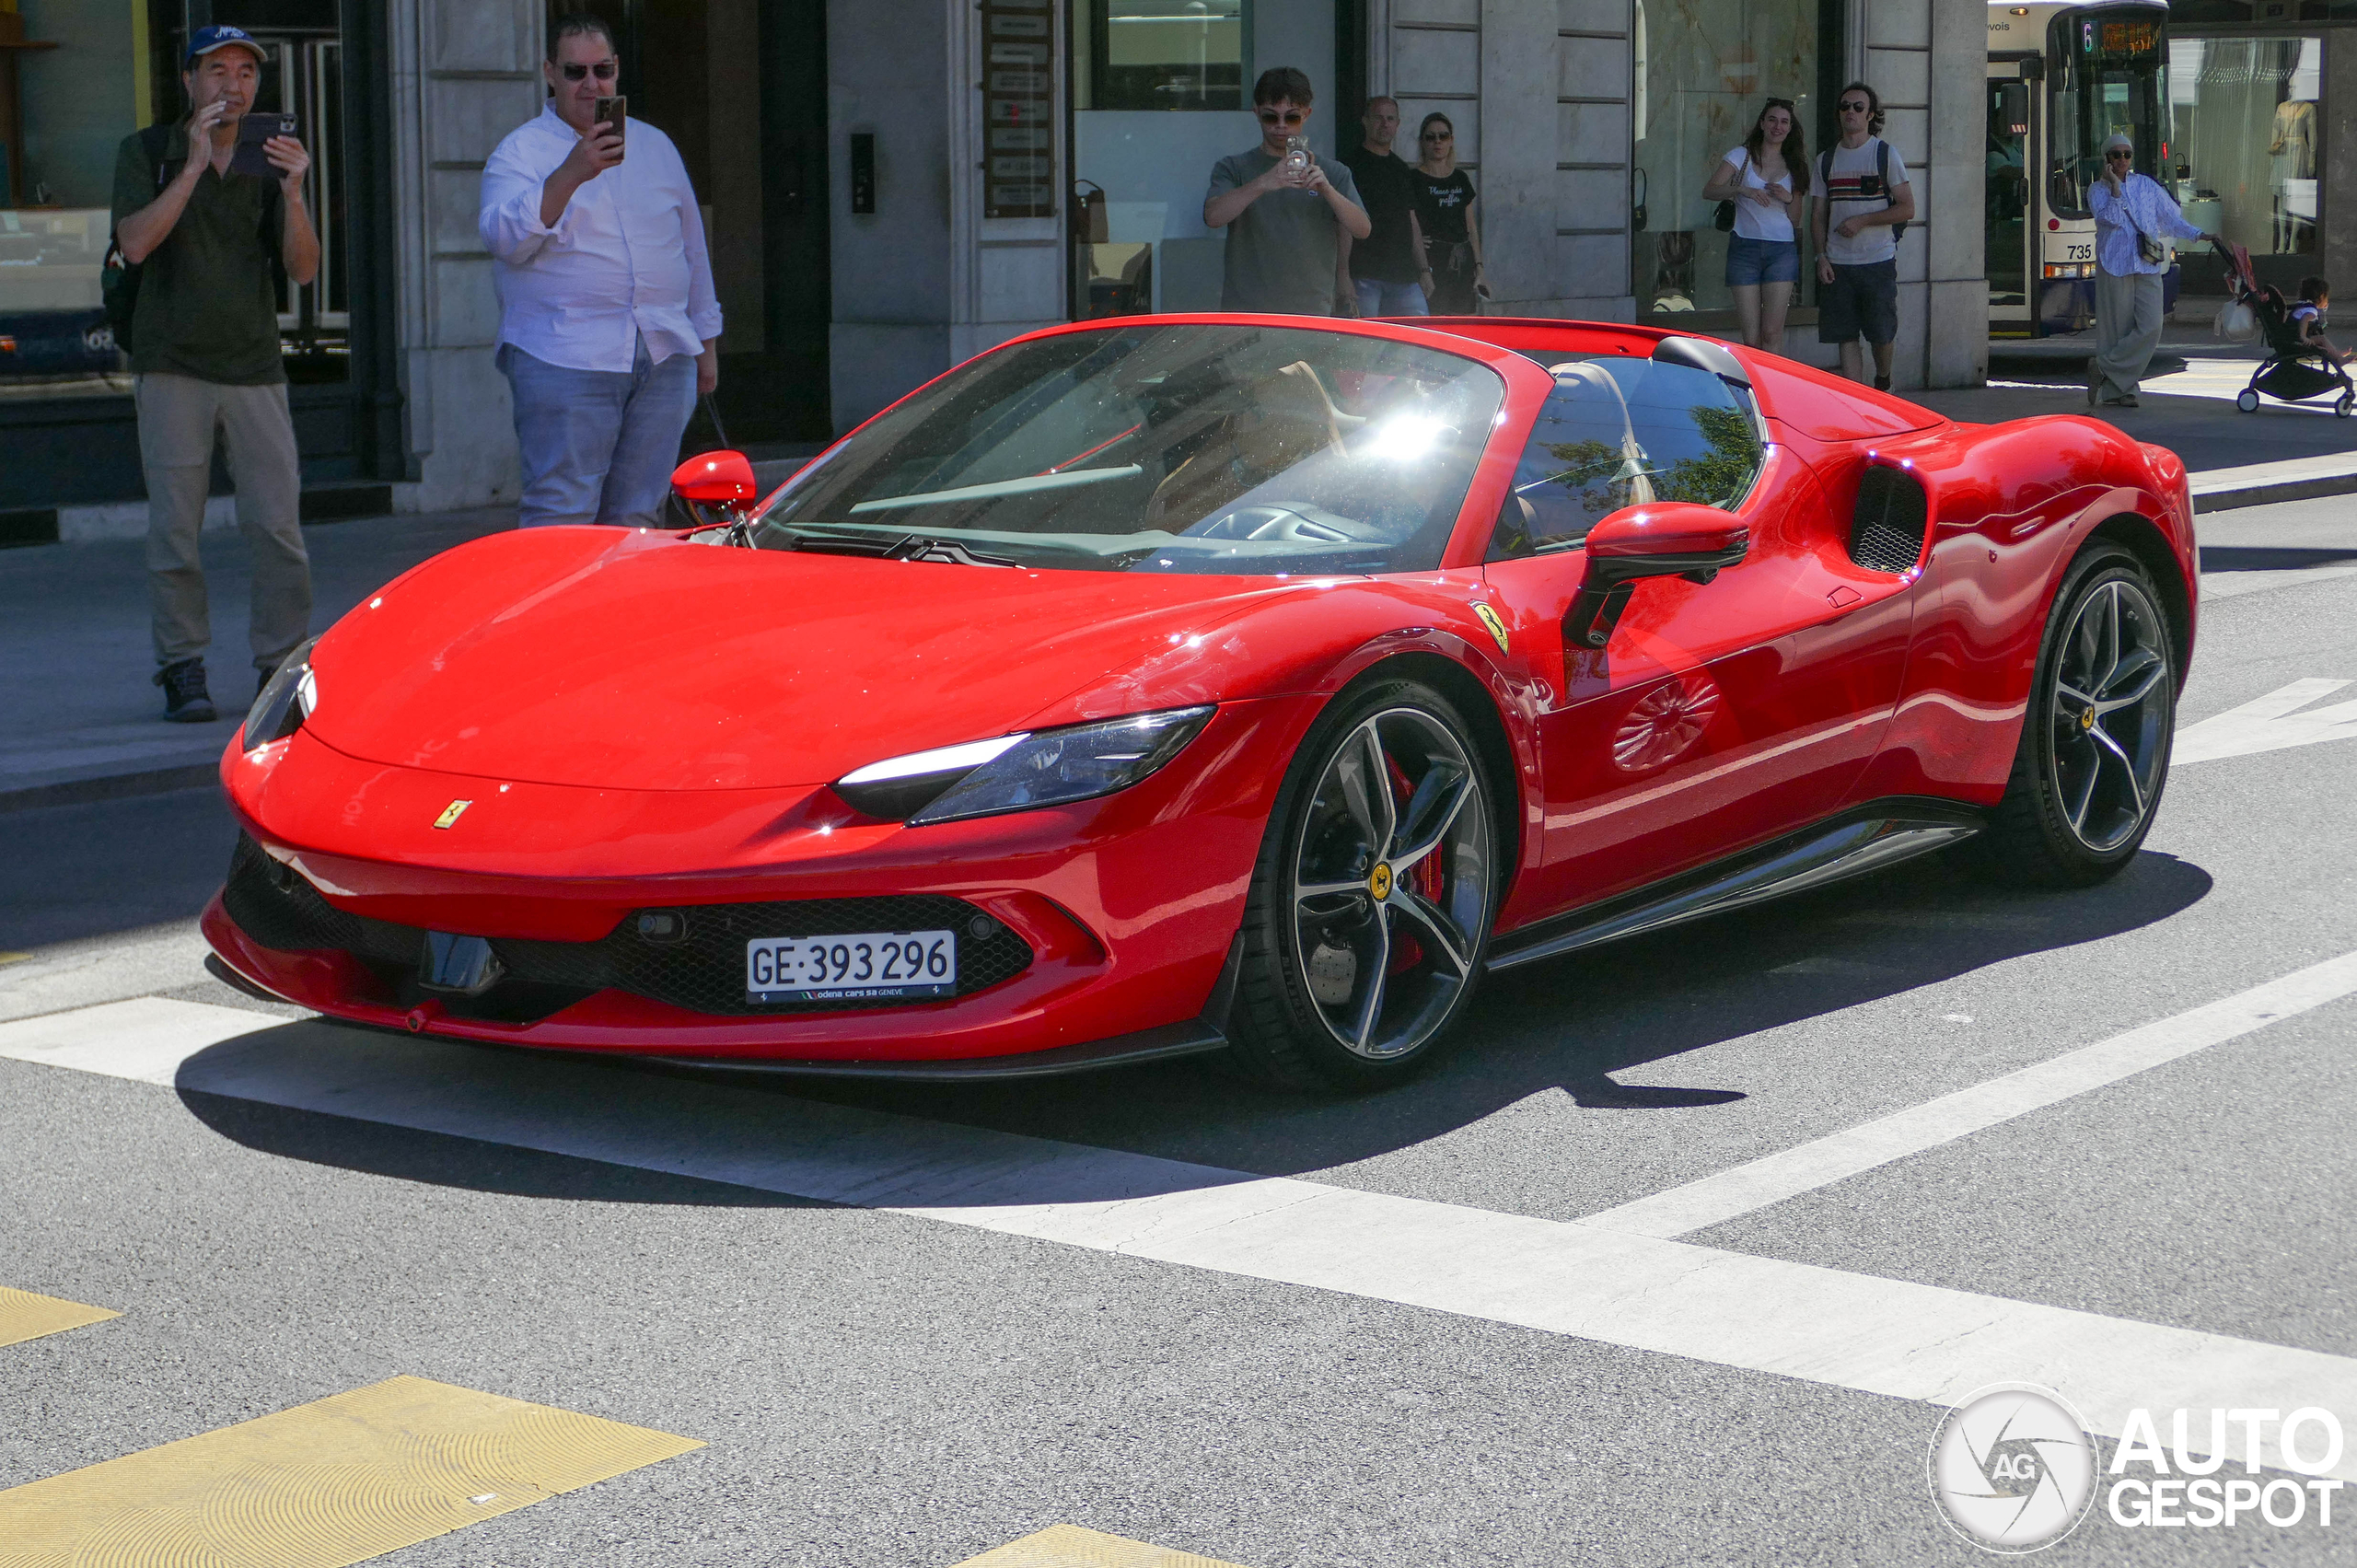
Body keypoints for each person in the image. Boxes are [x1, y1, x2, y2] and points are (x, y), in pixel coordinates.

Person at [111, 25, 319, 724]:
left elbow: (304, 269)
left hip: (254, 364)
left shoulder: (267, 160)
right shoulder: (148, 151)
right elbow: (135, 244)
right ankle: (181, 664)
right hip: (172, 363)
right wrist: (195, 165)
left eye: (246, 73)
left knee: (278, 527)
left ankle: (282, 666)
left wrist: (293, 192)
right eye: (217, 71)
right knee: (176, 527)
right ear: (189, 81)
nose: (233, 85)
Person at [479, 13, 722, 527]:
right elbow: (503, 240)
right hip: (565, 353)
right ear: (549, 72)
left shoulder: (655, 145)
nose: (592, 84)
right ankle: (552, 612)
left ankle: (619, 611)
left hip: (663, 352)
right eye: (575, 72)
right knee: (560, 513)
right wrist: (572, 172)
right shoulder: (520, 151)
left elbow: (691, 251)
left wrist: (706, 344)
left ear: (617, 70)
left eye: (602, 70)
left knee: (640, 515)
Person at [1204, 67, 1371, 315]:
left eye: (1291, 118)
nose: (1281, 126)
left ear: (1306, 115)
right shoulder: (1233, 167)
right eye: (1271, 117)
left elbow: (1363, 229)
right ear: (1257, 113)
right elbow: (1213, 217)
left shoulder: (1332, 172)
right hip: (1247, 312)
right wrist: (1263, 183)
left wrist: (1327, 190)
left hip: (1311, 311)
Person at [2087, 131, 2216, 409]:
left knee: (2151, 326)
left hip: (2146, 263)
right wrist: (2114, 187)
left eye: (2127, 154)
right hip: (2114, 263)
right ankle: (2121, 390)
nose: (2122, 160)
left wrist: (2198, 234)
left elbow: (2170, 218)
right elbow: (2108, 218)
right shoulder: (2097, 190)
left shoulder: (2147, 185)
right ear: (2107, 159)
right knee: (2118, 330)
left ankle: (2104, 367)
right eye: (2116, 155)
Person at [1813, 82, 1913, 390]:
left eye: (1858, 107)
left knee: (1881, 333)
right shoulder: (1825, 160)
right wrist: (1821, 256)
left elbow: (1907, 208)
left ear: (1871, 115)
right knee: (1845, 335)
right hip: (1838, 262)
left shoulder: (1885, 155)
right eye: (1845, 107)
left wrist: (1864, 220)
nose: (1850, 113)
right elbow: (1817, 215)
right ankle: (1856, 397)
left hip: (1877, 260)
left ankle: (1883, 381)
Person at [1702, 98, 1809, 354]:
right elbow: (1709, 190)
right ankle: (1753, 389)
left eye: (1784, 122)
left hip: (1781, 251)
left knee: (1772, 334)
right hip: (1744, 249)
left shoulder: (1796, 164)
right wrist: (1742, 190)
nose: (1777, 126)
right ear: (1762, 123)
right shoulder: (1741, 156)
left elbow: (1796, 218)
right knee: (1751, 338)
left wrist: (1789, 198)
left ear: (1790, 128)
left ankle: (1770, 391)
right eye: (1772, 119)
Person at [1338, 96, 1427, 318]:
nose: (1384, 124)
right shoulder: (1349, 166)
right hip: (1364, 276)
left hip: (1404, 276)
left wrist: (1424, 270)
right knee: (1364, 348)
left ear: (1398, 124)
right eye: (1378, 118)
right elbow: (1342, 222)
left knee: (1418, 344)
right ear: (1365, 122)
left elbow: (1411, 221)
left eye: (1390, 118)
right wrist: (1342, 274)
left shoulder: (1400, 168)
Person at [1411, 113, 1484, 314]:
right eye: (1430, 137)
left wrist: (1479, 267)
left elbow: (1471, 227)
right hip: (1432, 259)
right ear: (1422, 142)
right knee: (1435, 320)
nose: (1437, 142)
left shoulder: (1460, 178)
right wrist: (1416, 243)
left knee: (1464, 321)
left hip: (1462, 259)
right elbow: (1408, 221)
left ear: (1451, 141)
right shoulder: (1414, 178)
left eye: (1443, 136)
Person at [2289, 277, 2349, 366]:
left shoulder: (2302, 305)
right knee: (2322, 339)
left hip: (2291, 338)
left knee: (2321, 340)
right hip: (2297, 340)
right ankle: (2339, 359)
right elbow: (2304, 320)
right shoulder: (2311, 310)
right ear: (2321, 296)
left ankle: (2336, 354)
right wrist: (2303, 337)